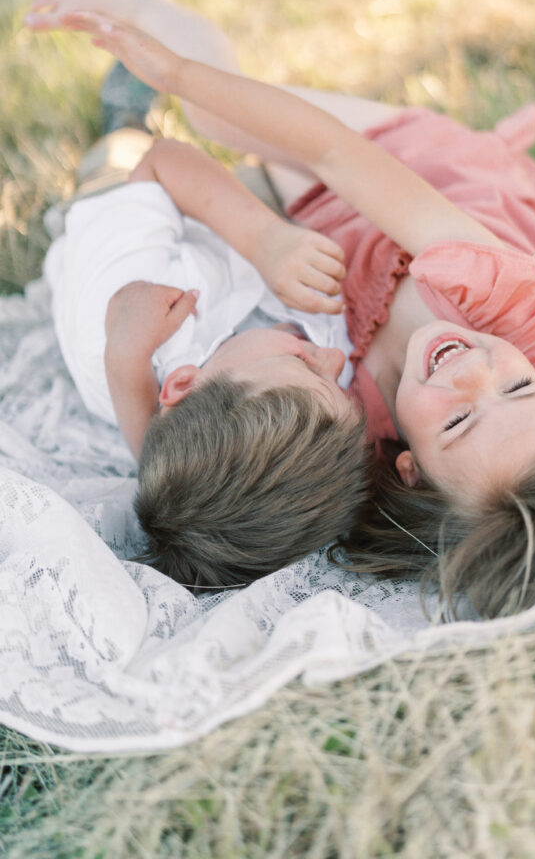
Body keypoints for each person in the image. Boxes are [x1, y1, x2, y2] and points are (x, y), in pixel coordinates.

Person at [26, 0, 535, 618]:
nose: (473, 370)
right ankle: (147, 8)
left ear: (409, 469)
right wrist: (176, 71)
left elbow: (198, 462)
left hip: (316, 225)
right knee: (213, 115)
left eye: (458, 420)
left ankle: (119, 144)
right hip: (398, 173)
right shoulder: (509, 302)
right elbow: (333, 151)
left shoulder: (347, 438)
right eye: (522, 387)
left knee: (146, 188)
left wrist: (126, 365)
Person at [42, 126, 371, 592]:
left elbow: (161, 162)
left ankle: (119, 124)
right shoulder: (289, 405)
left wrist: (265, 240)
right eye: (339, 384)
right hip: (221, 248)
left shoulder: (136, 301)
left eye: (304, 360)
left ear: (181, 384)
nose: (336, 356)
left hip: (120, 211)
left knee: (122, 151)